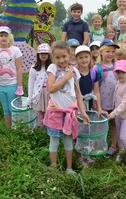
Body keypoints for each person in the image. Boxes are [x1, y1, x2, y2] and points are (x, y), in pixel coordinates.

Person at [44, 41, 89, 173]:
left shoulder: (74, 71)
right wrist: (66, 77)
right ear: (53, 57)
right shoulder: (53, 68)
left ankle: (69, 168)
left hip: (70, 114)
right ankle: (54, 169)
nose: (61, 60)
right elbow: (51, 88)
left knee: (69, 141)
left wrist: (83, 112)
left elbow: (78, 94)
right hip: (55, 113)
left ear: (70, 55)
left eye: (64, 56)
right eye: (57, 57)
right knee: (54, 142)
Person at [75, 45, 105, 166]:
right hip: (76, 104)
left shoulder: (93, 72)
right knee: (77, 129)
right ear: (76, 58)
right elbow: (77, 93)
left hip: (89, 103)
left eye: (86, 57)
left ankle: (86, 153)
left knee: (88, 129)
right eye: (81, 57)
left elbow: (96, 91)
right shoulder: (74, 73)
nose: (84, 60)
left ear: (90, 57)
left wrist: (99, 108)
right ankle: (79, 155)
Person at [0, 26, 23, 128]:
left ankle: (16, 128)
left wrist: (20, 85)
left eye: (6, 35)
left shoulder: (15, 50)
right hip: (0, 85)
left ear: (10, 37)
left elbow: (19, 69)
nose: (3, 38)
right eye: (1, 35)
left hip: (12, 84)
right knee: (5, 108)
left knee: (13, 107)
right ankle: (9, 129)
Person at [108, 60, 126, 167]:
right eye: (118, 72)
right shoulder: (118, 83)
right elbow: (116, 99)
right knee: (120, 136)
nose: (120, 75)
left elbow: (125, 103)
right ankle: (121, 152)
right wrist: (114, 112)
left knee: (123, 136)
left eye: (123, 72)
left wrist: (113, 113)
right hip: (118, 116)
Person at [94, 39, 120, 157]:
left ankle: (113, 145)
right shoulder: (96, 68)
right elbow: (94, 89)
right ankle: (99, 145)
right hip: (101, 103)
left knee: (114, 124)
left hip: (115, 103)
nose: (110, 54)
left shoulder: (117, 66)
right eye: (107, 51)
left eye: (113, 51)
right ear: (101, 52)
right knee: (100, 125)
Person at [27, 43, 52, 127]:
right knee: (40, 113)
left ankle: (49, 130)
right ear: (38, 55)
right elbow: (31, 84)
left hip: (49, 93)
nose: (43, 55)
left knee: (50, 112)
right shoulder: (34, 68)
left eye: (45, 53)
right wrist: (29, 98)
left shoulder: (52, 67)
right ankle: (40, 130)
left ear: (49, 55)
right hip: (39, 93)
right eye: (41, 53)